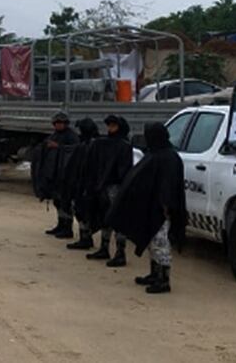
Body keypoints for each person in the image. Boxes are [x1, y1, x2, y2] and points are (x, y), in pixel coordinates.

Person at [107, 123, 187, 294]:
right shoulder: (154, 153)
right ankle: (154, 273)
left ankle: (164, 279)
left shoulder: (169, 157)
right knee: (152, 242)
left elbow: (169, 185)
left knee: (160, 243)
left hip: (162, 209)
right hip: (150, 206)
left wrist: (166, 206)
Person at [85, 115, 134, 267]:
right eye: (109, 126)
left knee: (118, 219)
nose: (110, 129)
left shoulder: (124, 146)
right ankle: (104, 248)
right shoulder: (103, 144)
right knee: (105, 217)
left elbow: (124, 170)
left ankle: (120, 253)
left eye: (113, 126)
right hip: (104, 187)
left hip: (117, 187)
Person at [31, 111, 80, 239]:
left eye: (61, 123)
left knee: (65, 202)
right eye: (57, 123)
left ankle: (67, 227)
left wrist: (58, 147)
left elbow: (74, 151)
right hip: (54, 174)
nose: (59, 125)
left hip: (65, 175)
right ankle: (60, 224)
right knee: (57, 201)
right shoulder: (54, 135)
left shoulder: (72, 136)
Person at [65, 118, 100, 251]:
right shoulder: (87, 144)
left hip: (87, 184)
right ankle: (85, 237)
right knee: (80, 210)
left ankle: (86, 238)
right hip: (82, 183)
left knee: (84, 211)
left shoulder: (91, 145)